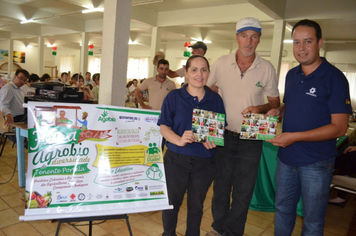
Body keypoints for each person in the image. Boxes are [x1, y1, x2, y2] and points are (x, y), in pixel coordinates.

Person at [266, 19, 351, 235]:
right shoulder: (292, 75)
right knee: (283, 210)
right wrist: (280, 111)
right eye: (296, 42)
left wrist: (294, 137)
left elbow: (340, 128)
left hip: (316, 163)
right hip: (286, 159)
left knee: (312, 221)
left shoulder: (335, 78)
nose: (301, 48)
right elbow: (293, 105)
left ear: (319, 42)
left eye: (307, 41)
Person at [206, 17, 280, 236]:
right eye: (244, 36)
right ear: (237, 37)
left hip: (252, 136)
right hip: (222, 135)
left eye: (254, 37)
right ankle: (218, 229)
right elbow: (205, 92)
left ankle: (234, 231)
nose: (249, 41)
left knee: (243, 190)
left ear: (259, 40)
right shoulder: (220, 63)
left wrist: (260, 108)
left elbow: (275, 104)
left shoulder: (266, 67)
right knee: (220, 188)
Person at [157, 55, 226, 236]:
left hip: (205, 163)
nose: (199, 74)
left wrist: (215, 139)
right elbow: (164, 126)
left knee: (196, 206)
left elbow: (220, 128)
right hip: (176, 160)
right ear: (186, 73)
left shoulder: (215, 99)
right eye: (194, 69)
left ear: (208, 73)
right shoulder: (174, 96)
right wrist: (178, 139)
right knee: (171, 204)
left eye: (204, 69)